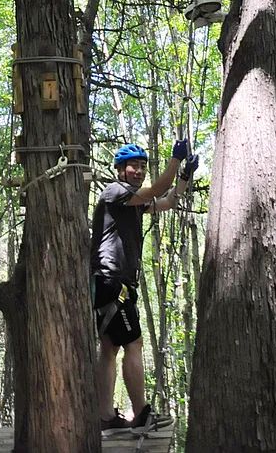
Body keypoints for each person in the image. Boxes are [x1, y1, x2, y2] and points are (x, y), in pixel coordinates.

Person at [91, 140, 199, 434]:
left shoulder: (132, 203)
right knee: (133, 344)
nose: (138, 171)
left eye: (142, 166)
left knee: (109, 348)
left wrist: (185, 179)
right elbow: (156, 190)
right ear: (120, 170)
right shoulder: (115, 192)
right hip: (112, 281)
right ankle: (140, 414)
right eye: (133, 166)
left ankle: (104, 417)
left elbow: (167, 201)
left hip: (111, 282)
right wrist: (175, 162)